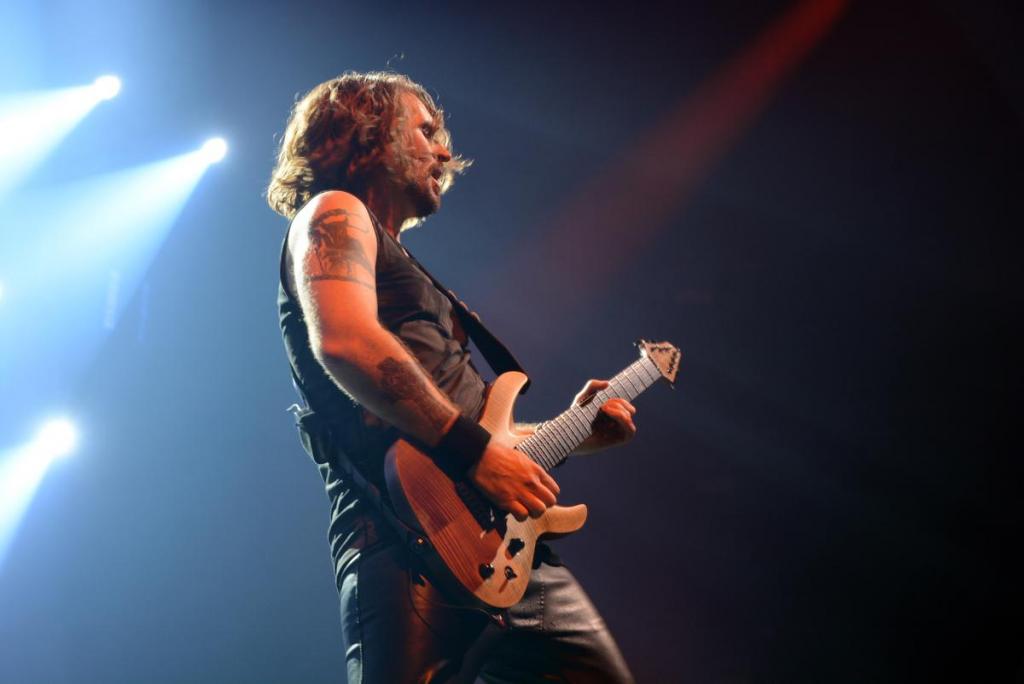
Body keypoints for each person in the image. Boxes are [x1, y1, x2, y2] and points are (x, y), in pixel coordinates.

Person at [267, 71, 638, 683]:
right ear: (367, 133)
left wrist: (578, 430)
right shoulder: (335, 211)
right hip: (406, 539)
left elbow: (478, 429)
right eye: (425, 131)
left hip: (505, 550)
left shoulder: (402, 263)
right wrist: (476, 454)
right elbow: (346, 341)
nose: (444, 152)